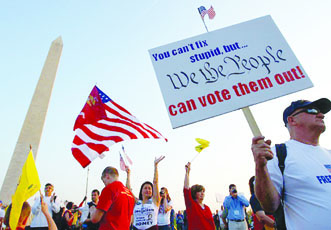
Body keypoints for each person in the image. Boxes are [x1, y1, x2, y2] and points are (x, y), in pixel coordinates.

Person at [251, 98, 331, 229]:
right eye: (312, 110)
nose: (321, 115)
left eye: (321, 112)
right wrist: (260, 166)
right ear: (292, 120)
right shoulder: (276, 154)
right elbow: (269, 205)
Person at [126, 156, 165, 230]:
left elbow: (155, 182)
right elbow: (128, 190)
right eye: (145, 188)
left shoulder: (154, 201)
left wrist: (155, 166)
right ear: (141, 191)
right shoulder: (137, 202)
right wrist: (128, 174)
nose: (148, 190)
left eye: (150, 188)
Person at [183, 162, 215, 230]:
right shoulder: (191, 205)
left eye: (203, 191)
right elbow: (186, 189)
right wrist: (187, 173)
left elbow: (212, 224)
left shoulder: (207, 208)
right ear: (194, 193)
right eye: (199, 191)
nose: (202, 193)